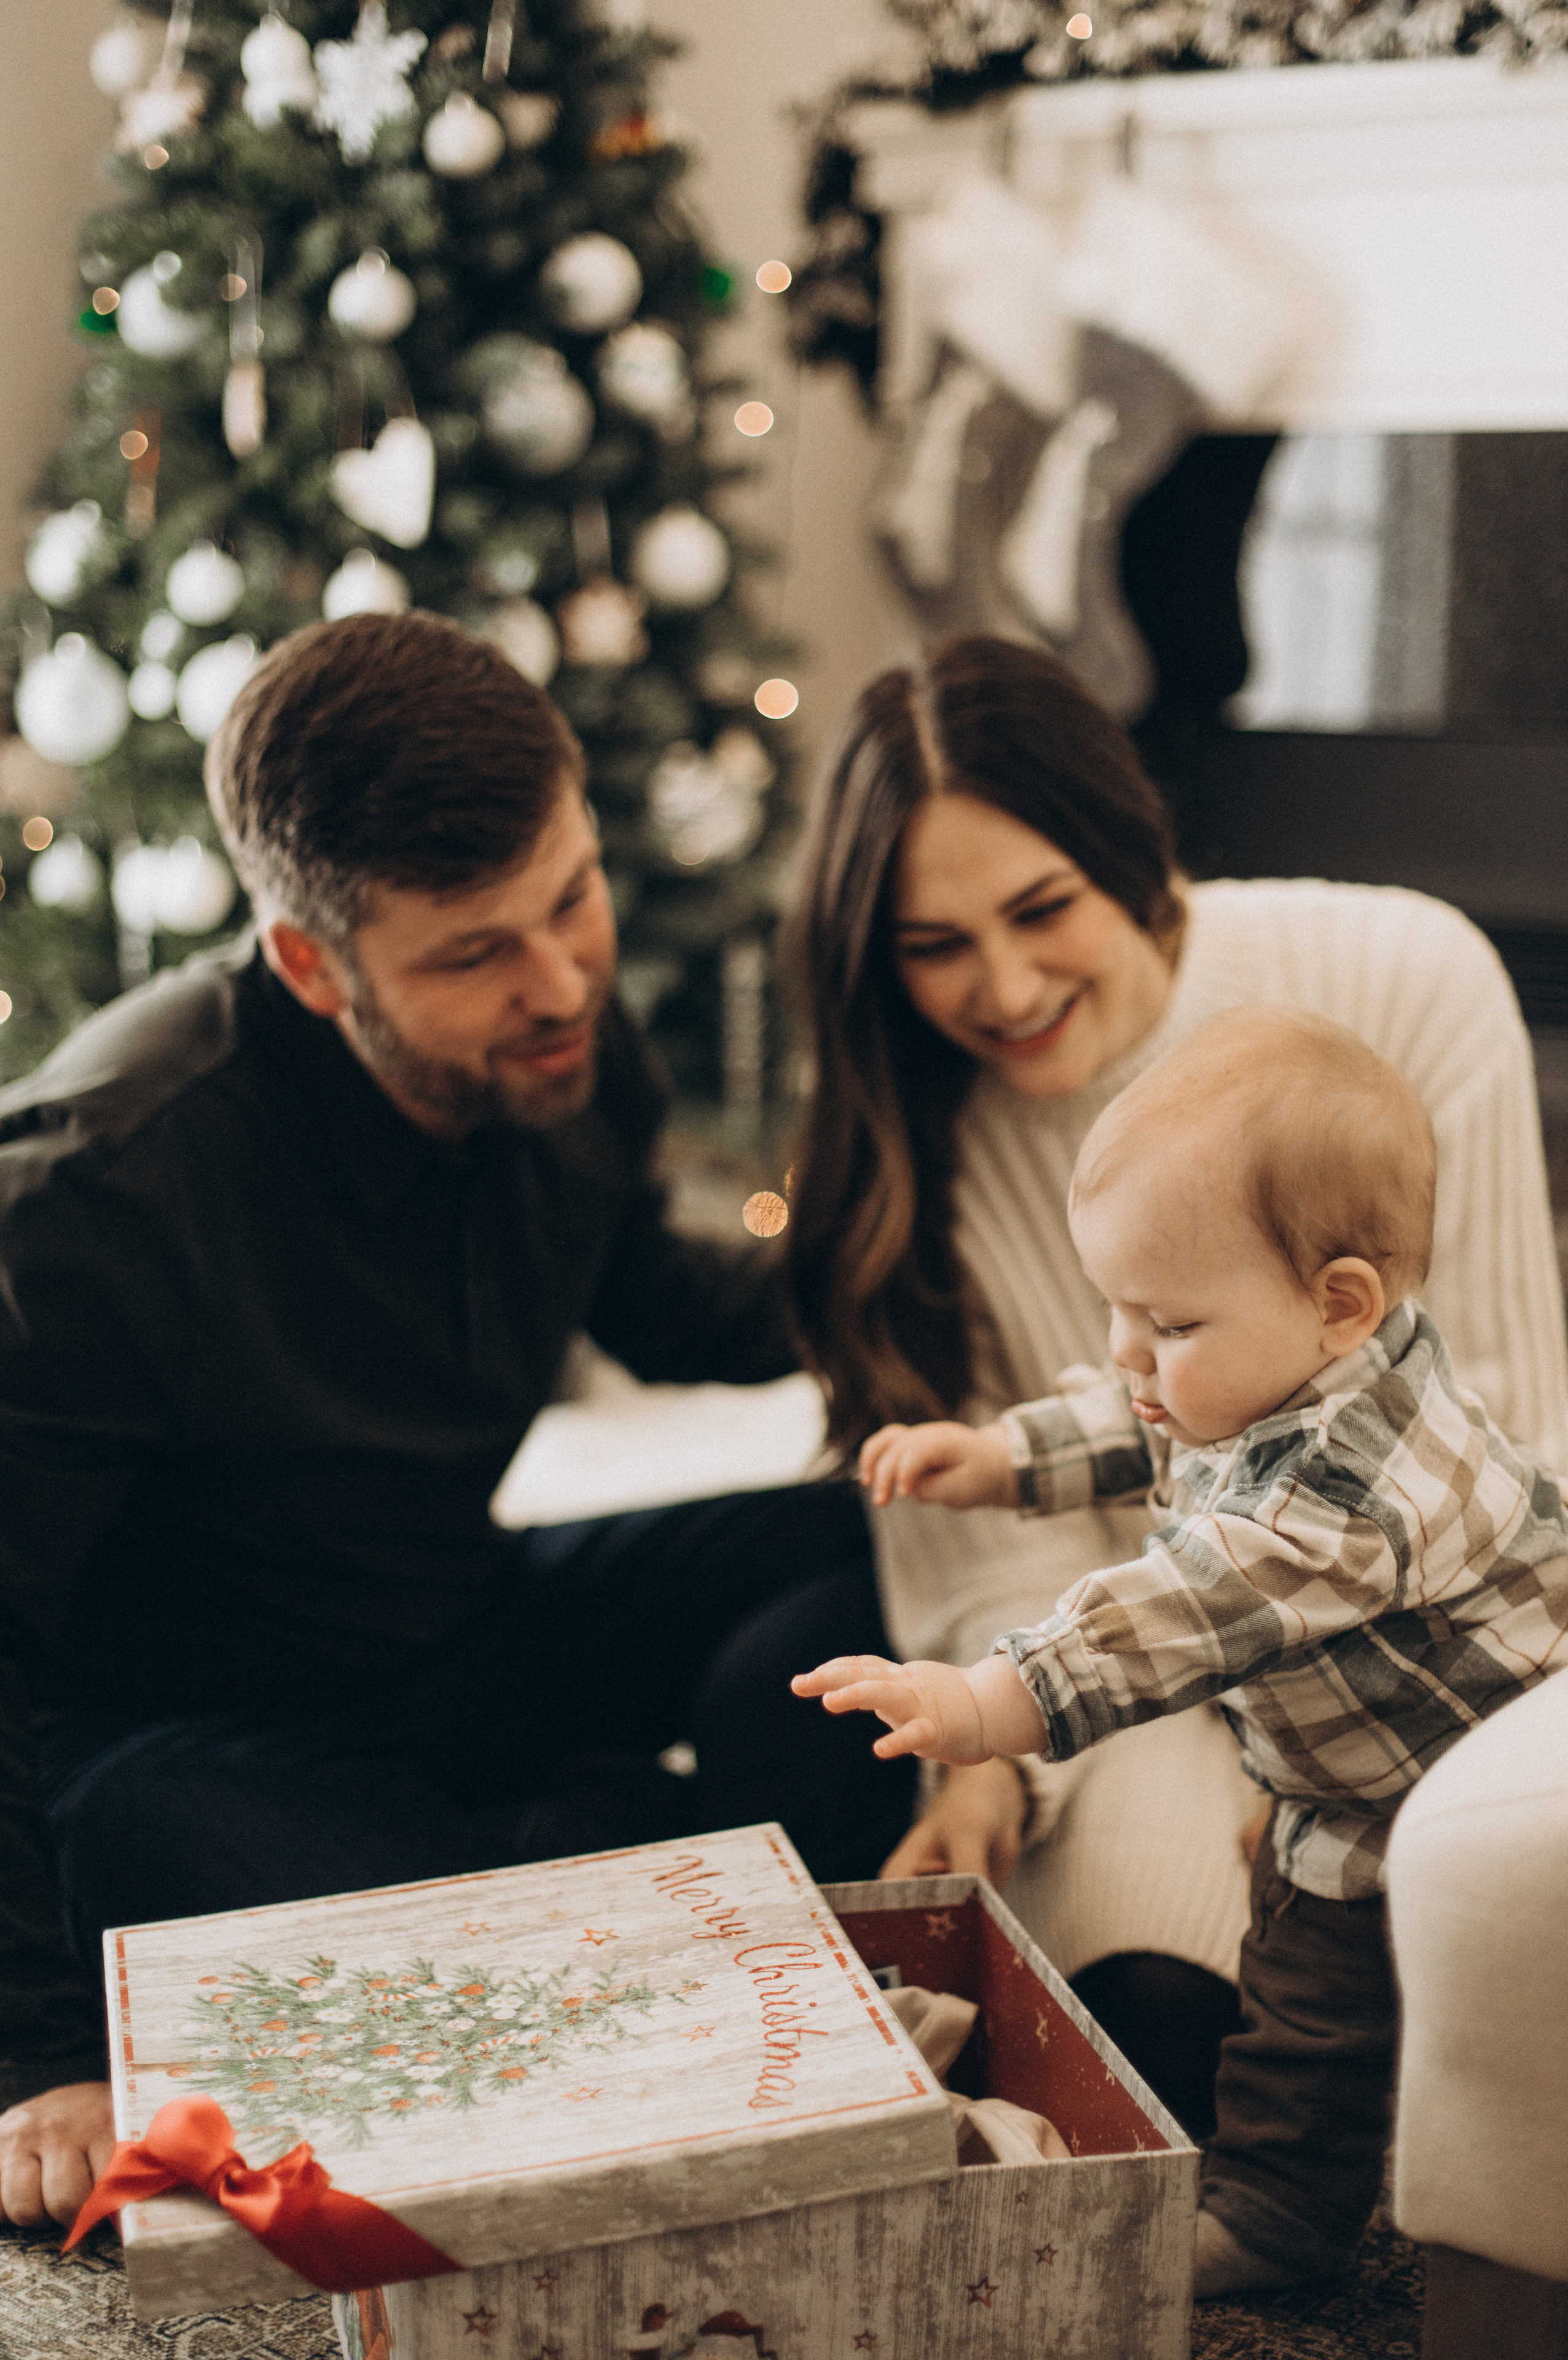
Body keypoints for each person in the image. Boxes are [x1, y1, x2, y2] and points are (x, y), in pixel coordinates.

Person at [0, 612, 912, 2233]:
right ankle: (673, 1854)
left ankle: (593, 1864)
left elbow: (643, 1293)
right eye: (473, 954)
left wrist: (899, 1291)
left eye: (571, 897)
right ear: (309, 963)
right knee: (139, 1842)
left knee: (869, 1530)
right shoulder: (97, 1198)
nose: (558, 980)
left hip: (457, 1622)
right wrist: (40, 2055)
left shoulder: (556, 1036)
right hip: (197, 1739)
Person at [785, 632, 1568, 2138]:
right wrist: (1007, 1746)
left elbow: (1485, 1439)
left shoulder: (1393, 980)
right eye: (931, 944)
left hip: (1406, 1658)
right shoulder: (903, 1145)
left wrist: (1286, 1747)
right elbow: (1095, 1451)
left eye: (1039, 909)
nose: (1002, 987)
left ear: (1126, 856)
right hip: (1120, 1682)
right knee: (1148, 2051)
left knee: (1371, 2005)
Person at [796, 1005, 1568, 2297]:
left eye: (1161, 1322)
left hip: (1432, 1789)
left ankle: (1273, 2214)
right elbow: (1147, 1420)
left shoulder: (1341, 1504)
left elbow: (1166, 1614)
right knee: (1307, 1955)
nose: (1126, 1353)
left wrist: (988, 1698)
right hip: (1369, 1757)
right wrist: (999, 1459)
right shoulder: (1288, 1362)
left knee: (1303, 2011)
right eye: (1115, 1307)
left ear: (1338, 1304)